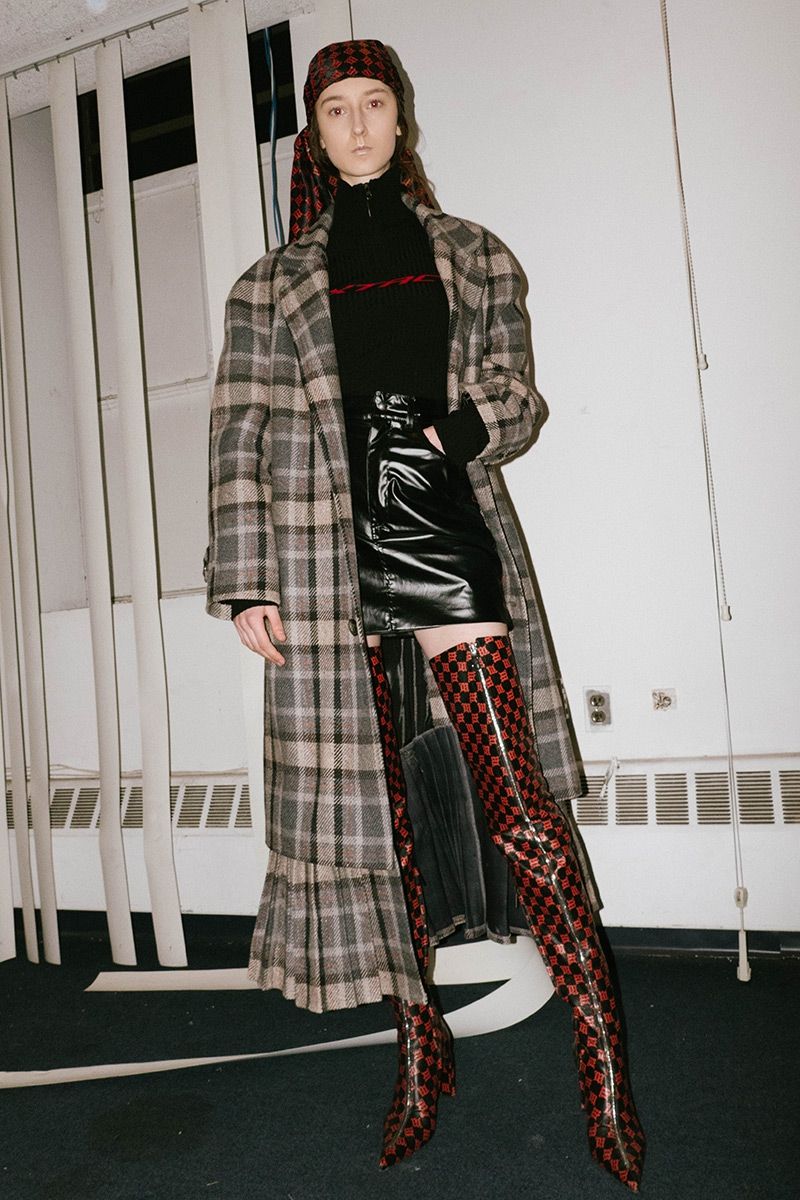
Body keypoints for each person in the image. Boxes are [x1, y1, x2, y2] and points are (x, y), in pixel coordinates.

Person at [204, 38, 645, 1191]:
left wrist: (448, 437)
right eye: (335, 110)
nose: (356, 125)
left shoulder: (472, 251)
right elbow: (239, 431)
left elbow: (514, 392)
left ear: (401, 120)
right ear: (314, 133)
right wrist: (244, 576)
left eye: (374, 104)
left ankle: (601, 1062)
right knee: (383, 827)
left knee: (518, 802)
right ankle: (420, 1051)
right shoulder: (267, 284)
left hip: (436, 519)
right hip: (319, 544)